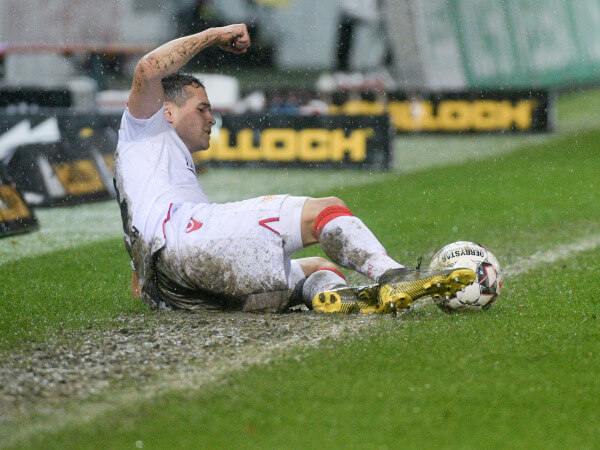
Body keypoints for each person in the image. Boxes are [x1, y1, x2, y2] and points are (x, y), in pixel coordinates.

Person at [114, 24, 475, 314]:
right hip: (185, 243)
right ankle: (393, 276)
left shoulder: (153, 166)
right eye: (202, 108)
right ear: (167, 111)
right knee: (324, 209)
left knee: (319, 265)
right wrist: (214, 35)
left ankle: (328, 296)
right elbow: (147, 68)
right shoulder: (144, 125)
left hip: (172, 292)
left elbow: (144, 241)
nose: (212, 118)